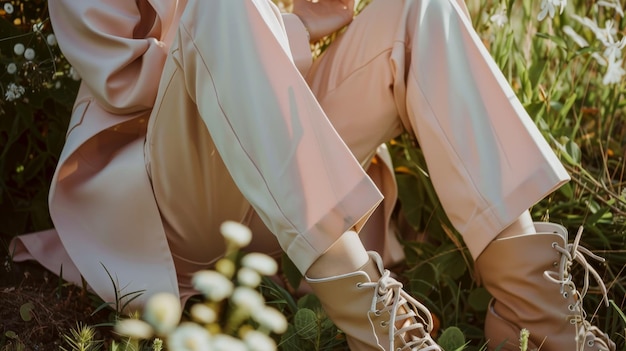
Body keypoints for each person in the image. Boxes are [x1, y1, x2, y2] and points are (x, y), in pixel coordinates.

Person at [10, 0, 616, 350]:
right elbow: (123, 76)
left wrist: (291, 24)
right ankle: (376, 326)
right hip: (171, 198)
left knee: (418, 7)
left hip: (286, 190)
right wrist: (272, 30)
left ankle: (536, 316)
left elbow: (323, 14)